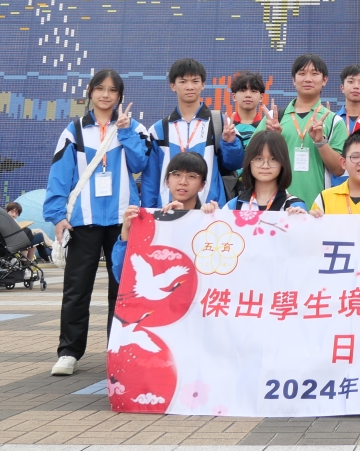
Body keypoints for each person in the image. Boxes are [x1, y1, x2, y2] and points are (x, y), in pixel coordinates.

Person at [44, 69, 149, 377]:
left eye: (112, 90)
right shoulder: (74, 131)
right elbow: (60, 175)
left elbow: (141, 164)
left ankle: (119, 349)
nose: (106, 95)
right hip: (83, 221)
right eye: (100, 88)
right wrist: (57, 216)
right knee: (77, 289)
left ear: (120, 96)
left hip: (123, 221)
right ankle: (69, 352)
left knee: (123, 289)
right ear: (90, 91)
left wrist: (126, 133)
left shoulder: (133, 127)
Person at [142, 58, 243, 209]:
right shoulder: (158, 130)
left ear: (203, 85)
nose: (189, 87)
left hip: (210, 210)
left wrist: (230, 143)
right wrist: (149, 212)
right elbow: (150, 178)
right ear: (172, 85)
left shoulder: (220, 122)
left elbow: (235, 164)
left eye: (195, 81)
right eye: (183, 82)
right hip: (167, 211)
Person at [110, 152, 220, 282]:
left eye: (191, 176)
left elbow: (219, 272)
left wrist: (217, 224)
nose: (183, 182)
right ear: (167, 181)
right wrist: (126, 232)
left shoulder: (208, 219)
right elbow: (122, 276)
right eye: (176, 174)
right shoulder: (152, 222)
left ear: (202, 185)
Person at [276, 54, 347, 204]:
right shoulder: (274, 119)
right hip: (278, 206)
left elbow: (340, 169)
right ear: (293, 79)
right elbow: (252, 160)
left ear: (325, 80)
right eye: (302, 73)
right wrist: (271, 138)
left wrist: (321, 142)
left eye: (314, 74)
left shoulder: (335, 121)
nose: (308, 79)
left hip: (318, 206)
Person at [224, 129, 308, 213]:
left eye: (273, 159)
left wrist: (300, 218)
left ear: (283, 162)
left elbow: (303, 219)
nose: (265, 166)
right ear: (249, 162)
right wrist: (216, 214)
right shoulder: (234, 206)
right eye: (259, 158)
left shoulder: (294, 206)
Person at [228, 71, 270, 145]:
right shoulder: (226, 128)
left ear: (261, 97)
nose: (248, 95)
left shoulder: (267, 127)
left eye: (253, 91)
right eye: (243, 90)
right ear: (234, 96)